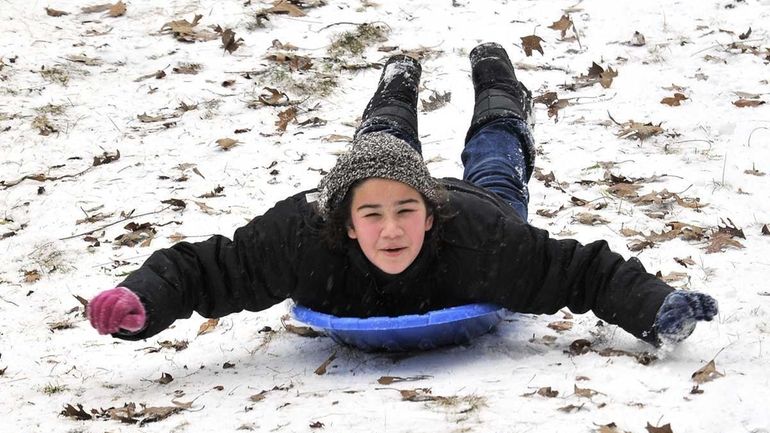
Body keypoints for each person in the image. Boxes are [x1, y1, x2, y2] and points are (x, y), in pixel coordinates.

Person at [87, 42, 717, 347]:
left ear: (428, 215)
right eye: (372, 215)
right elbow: (211, 267)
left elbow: (579, 270)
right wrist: (143, 299)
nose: (391, 230)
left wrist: (655, 304)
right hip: (386, 184)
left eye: (405, 213)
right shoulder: (304, 238)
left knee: (496, 161)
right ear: (346, 224)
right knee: (379, 143)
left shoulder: (480, 242)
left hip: (478, 208)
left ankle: (498, 81)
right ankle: (397, 81)